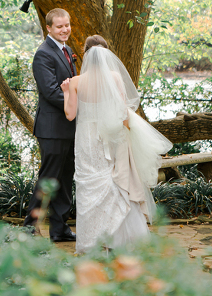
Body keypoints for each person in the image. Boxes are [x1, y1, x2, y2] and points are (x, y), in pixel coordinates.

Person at [61, 35, 172, 253]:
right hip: (110, 136)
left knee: (88, 187)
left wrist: (66, 93)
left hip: (86, 140)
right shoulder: (114, 77)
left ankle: (90, 242)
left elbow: (70, 115)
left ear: (85, 55)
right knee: (115, 183)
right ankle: (118, 238)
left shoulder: (75, 82)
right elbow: (122, 112)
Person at [22, 8, 77, 242]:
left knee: (65, 180)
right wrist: (79, 106)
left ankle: (59, 229)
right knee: (49, 180)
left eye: (67, 25)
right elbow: (52, 92)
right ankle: (29, 227)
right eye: (59, 26)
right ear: (49, 28)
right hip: (53, 129)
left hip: (69, 127)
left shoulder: (68, 50)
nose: (65, 29)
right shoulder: (43, 54)